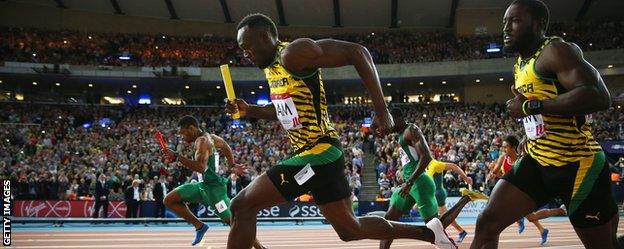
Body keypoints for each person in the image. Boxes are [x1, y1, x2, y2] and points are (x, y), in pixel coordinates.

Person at [225, 13, 457, 249]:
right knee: (349, 229)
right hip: (319, 158)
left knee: (240, 205)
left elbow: (358, 53)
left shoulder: (292, 54)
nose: (245, 54)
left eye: (247, 47)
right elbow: (286, 110)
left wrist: (381, 109)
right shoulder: (271, 68)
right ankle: (430, 234)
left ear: (264, 37)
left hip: (319, 153)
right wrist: (250, 110)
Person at [471, 1, 619, 248]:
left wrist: (530, 107)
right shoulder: (520, 63)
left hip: (577, 167)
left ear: (538, 24)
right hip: (538, 161)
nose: (506, 28)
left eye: (515, 21)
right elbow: (546, 109)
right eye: (504, 22)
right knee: (487, 223)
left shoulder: (556, 51)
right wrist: (531, 132)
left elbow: (597, 96)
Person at [380, 108, 489, 249]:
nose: (388, 125)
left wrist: (409, 182)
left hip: (419, 183)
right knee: (388, 221)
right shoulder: (400, 134)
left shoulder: (411, 130)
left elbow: (426, 157)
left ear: (397, 118)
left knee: (435, 228)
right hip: (409, 184)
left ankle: (466, 198)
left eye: (389, 121)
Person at [158, 116, 266, 248]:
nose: (182, 137)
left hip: (215, 190)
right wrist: (232, 164)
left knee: (234, 222)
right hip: (202, 186)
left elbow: (200, 167)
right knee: (169, 200)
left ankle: (260, 248)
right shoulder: (212, 138)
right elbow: (225, 146)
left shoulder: (203, 142)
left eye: (183, 133)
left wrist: (176, 156)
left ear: (191, 129)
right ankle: (200, 226)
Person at [426, 158, 474, 243]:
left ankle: (443, 238)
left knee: (440, 219)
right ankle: (459, 232)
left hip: (438, 194)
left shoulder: (435, 164)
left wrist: (465, 178)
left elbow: (454, 166)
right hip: (432, 194)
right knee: (443, 217)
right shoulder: (423, 166)